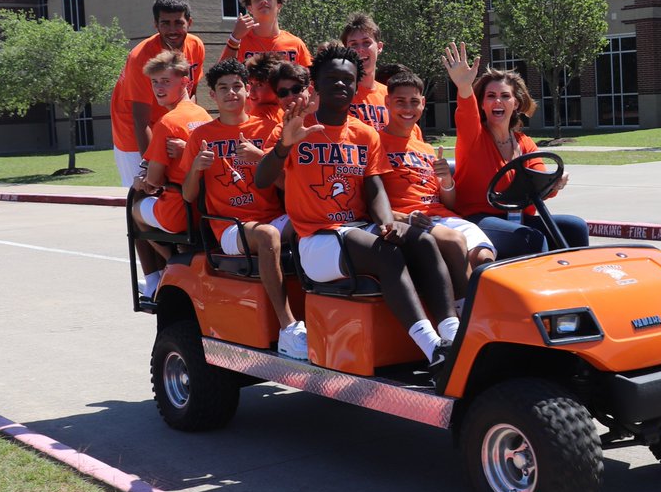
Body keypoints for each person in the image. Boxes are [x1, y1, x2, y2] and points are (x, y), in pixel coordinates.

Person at [254, 43, 459, 374]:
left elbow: (374, 186)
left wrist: (386, 221)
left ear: (355, 85)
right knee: (384, 252)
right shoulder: (295, 127)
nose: (340, 85)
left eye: (347, 80)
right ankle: (433, 348)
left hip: (356, 230)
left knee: (422, 240)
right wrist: (284, 145)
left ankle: (453, 335)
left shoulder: (365, 134)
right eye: (332, 78)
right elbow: (263, 179)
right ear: (315, 85)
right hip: (316, 242)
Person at [182, 59, 307, 358]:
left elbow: (289, 187)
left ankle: (321, 314)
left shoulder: (269, 128)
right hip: (230, 227)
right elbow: (188, 196)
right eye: (223, 88)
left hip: (273, 217)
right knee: (267, 237)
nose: (231, 93)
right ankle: (288, 327)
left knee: (313, 222)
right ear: (212, 95)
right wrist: (196, 169)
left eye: (237, 86)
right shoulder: (201, 136)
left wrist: (261, 158)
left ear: (248, 90)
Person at [442, 41, 590, 258]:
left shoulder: (525, 143)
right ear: (482, 104)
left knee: (575, 227)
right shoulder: (473, 136)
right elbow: (466, 111)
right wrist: (464, 87)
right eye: (490, 96)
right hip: (478, 218)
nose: (497, 101)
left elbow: (540, 184)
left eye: (505, 96)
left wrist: (554, 182)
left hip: (517, 218)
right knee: (530, 237)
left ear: (516, 104)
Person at [379, 69, 495, 307]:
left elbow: (448, 203)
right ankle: (466, 315)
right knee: (453, 241)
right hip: (409, 221)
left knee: (484, 258)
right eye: (400, 102)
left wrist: (446, 182)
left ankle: (491, 311)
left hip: (441, 218)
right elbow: (366, 198)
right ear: (387, 102)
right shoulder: (375, 143)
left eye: (414, 102)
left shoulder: (425, 148)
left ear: (422, 104)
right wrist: (402, 217)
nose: (408, 109)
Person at [130, 50, 212, 298]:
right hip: (209, 209)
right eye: (154, 82)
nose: (158, 87)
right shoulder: (203, 115)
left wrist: (140, 183)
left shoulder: (167, 122)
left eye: (166, 81)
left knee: (134, 208)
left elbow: (153, 181)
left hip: (182, 212)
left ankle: (169, 265)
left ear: (185, 81)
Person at [110, 0, 206, 187]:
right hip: (133, 133)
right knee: (144, 190)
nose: (172, 29)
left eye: (178, 22)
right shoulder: (141, 57)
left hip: (169, 126)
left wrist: (186, 134)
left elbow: (190, 94)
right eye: (165, 23)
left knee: (177, 188)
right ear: (156, 25)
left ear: (189, 22)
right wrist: (147, 164)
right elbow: (140, 119)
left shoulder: (196, 46)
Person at [220, 0, 312, 67]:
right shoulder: (238, 43)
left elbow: (311, 80)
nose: (264, 1)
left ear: (279, 6)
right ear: (250, 8)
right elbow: (219, 76)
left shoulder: (296, 44)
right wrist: (234, 38)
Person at [340, 12, 390, 131]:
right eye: (354, 44)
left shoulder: (391, 95)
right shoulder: (337, 93)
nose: (360, 49)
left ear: (379, 47)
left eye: (366, 42)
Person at [244, 51, 288, 123]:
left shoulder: (260, 113)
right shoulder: (283, 109)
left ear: (277, 87)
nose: (251, 91)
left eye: (259, 85)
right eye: (251, 83)